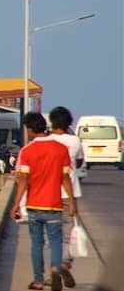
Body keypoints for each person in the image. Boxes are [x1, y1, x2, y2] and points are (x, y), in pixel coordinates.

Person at [10, 111, 79, 291]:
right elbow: (66, 178)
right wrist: (72, 202)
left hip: (34, 204)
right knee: (56, 240)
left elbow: (23, 180)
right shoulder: (60, 149)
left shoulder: (27, 151)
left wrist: (16, 205)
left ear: (30, 130)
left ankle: (38, 280)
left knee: (36, 243)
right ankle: (55, 267)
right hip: (54, 204)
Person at [44, 107, 84, 281]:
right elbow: (81, 161)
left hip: (49, 193)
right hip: (70, 193)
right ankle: (65, 263)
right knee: (70, 232)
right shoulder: (75, 141)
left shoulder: (46, 141)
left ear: (52, 122)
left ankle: (53, 267)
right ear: (69, 123)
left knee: (52, 233)